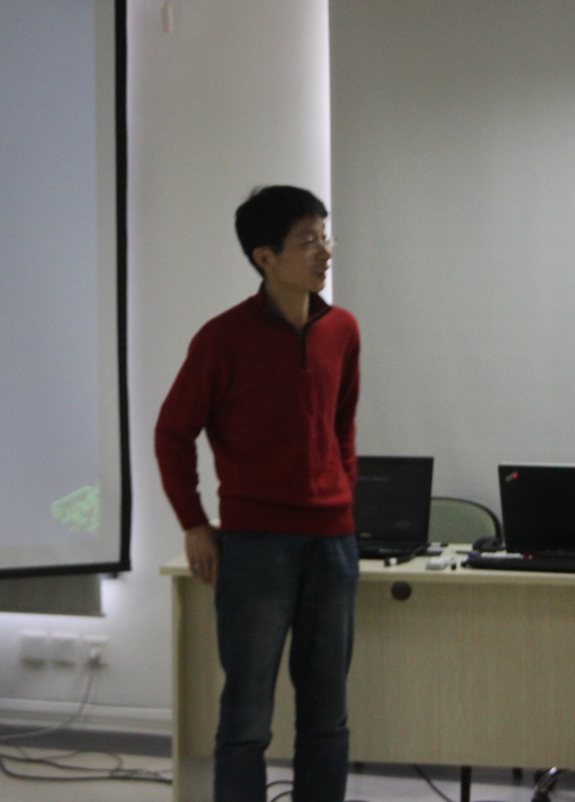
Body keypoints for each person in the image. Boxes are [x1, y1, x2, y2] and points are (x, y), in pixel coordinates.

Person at [155, 185, 361, 802]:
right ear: (264, 256)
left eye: (324, 236)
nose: (324, 251)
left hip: (333, 544)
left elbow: (342, 426)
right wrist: (194, 523)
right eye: (308, 241)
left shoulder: (342, 330)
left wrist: (343, 497)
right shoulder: (222, 339)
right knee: (246, 716)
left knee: (328, 714)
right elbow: (172, 433)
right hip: (256, 546)